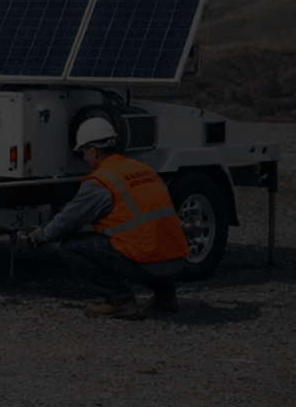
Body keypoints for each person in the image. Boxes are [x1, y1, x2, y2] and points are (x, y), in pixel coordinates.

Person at [26, 116, 189, 318]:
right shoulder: (143, 168)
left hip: (148, 260)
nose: (84, 158)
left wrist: (41, 236)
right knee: (146, 237)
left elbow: (66, 222)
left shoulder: (101, 181)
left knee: (71, 247)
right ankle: (165, 296)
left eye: (84, 152)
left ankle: (119, 301)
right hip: (176, 259)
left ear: (94, 151)